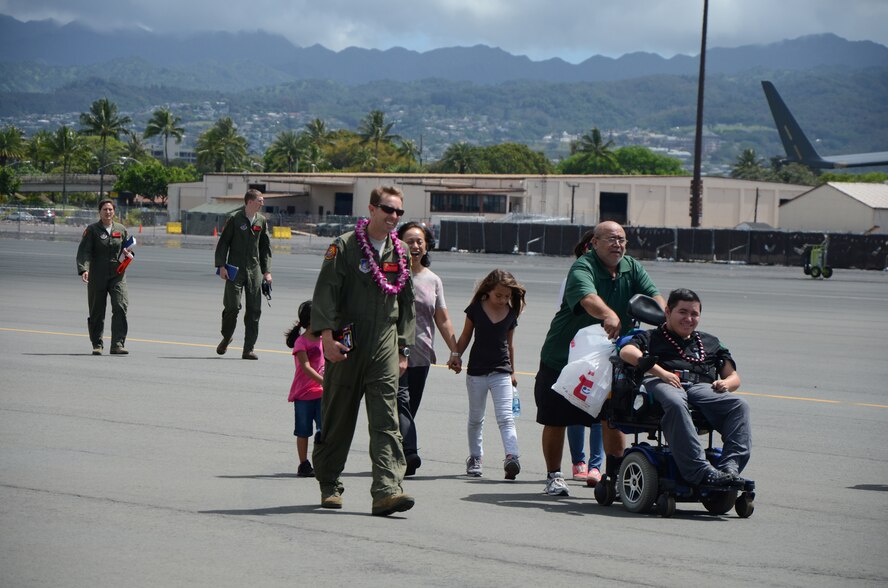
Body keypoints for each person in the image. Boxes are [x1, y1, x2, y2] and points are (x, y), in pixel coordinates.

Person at [535, 221, 665, 496]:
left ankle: (615, 477)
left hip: (612, 359)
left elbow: (654, 296)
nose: (618, 244)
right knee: (556, 418)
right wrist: (608, 313)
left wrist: (667, 320)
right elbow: (587, 297)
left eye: (622, 239)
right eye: (611, 239)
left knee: (612, 417)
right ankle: (554, 476)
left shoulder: (632, 267)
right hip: (565, 356)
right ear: (594, 242)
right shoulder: (583, 266)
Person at [310, 185, 417, 517]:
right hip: (348, 336)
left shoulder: (399, 253)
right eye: (388, 210)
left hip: (385, 337)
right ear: (372, 209)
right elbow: (326, 292)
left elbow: (407, 303)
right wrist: (326, 338)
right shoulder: (344, 247)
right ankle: (329, 483)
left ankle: (386, 490)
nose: (393, 217)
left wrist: (404, 349)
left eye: (399, 212)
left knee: (386, 419)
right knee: (338, 415)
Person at [618, 288, 751, 486]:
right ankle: (699, 471)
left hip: (700, 386)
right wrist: (660, 372)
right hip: (662, 381)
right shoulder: (651, 336)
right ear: (668, 312)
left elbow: (733, 376)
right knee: (675, 401)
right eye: (682, 312)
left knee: (739, 405)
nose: (689, 318)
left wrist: (726, 383)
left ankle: (730, 467)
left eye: (694, 314)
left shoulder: (710, 342)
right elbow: (626, 351)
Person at [395, 222, 460, 477]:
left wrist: (454, 351)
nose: (415, 246)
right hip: (392, 351)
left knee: (408, 410)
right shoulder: (389, 273)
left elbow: (442, 318)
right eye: (409, 241)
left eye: (419, 241)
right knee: (401, 404)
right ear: (398, 243)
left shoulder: (433, 280)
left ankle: (396, 455)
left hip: (421, 355)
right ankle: (410, 453)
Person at [450, 269, 526, 480]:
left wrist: (513, 371)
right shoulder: (475, 308)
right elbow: (466, 335)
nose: (503, 300)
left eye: (507, 296)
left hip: (501, 371)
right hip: (476, 372)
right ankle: (475, 458)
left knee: (506, 417)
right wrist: (456, 355)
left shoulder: (511, 313)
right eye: (498, 295)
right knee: (476, 418)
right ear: (488, 291)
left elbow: (510, 346)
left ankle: (512, 457)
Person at [561, 230, 604, 486]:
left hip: (602, 348)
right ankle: (579, 460)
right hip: (578, 348)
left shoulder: (611, 276)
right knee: (576, 405)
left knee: (599, 408)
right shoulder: (575, 276)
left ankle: (596, 467)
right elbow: (564, 312)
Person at [214, 189, 272, 360]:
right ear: (249, 201)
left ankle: (248, 349)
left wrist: (266, 271)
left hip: (254, 270)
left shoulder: (261, 221)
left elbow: (265, 248)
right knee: (232, 306)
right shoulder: (235, 219)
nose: (262, 203)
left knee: (254, 310)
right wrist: (221, 266)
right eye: (260, 200)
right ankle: (226, 336)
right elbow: (224, 243)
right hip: (235, 269)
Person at [76, 198, 134, 355]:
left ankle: (117, 344)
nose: (108, 212)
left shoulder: (121, 229)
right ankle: (97, 344)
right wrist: (84, 269)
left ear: (114, 211)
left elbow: (127, 249)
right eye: (105, 209)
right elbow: (84, 252)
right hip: (97, 276)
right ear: (99, 212)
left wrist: (129, 254)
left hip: (118, 275)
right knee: (97, 311)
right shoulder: (92, 230)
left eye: (110, 209)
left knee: (120, 306)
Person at [285, 301, 325, 478]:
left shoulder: (325, 339)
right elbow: (306, 367)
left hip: (322, 393)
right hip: (304, 394)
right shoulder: (301, 342)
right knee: (303, 431)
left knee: (324, 428)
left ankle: (322, 460)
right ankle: (303, 464)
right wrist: (324, 381)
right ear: (310, 321)